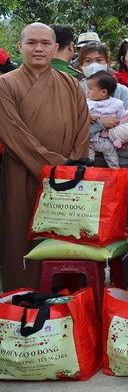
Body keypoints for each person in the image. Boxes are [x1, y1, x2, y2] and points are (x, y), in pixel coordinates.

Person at [0, 23, 89, 289]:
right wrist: (57, 165)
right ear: (20, 47)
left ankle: (66, 299)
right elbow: (13, 134)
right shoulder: (6, 84)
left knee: (62, 236)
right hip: (22, 174)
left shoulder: (71, 84)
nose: (38, 49)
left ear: (55, 48)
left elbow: (82, 127)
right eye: (31, 43)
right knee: (21, 235)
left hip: (66, 180)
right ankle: (22, 299)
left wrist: (73, 164)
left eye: (45, 43)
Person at [77, 41, 128, 170]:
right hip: (87, 159)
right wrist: (100, 124)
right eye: (88, 61)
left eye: (99, 60)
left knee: (121, 189)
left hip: (121, 159)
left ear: (107, 63)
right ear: (81, 65)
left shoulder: (122, 91)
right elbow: (72, 129)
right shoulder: (76, 91)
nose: (94, 65)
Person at [85, 71, 128, 168]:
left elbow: (122, 116)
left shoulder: (115, 103)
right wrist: (88, 116)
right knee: (87, 160)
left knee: (112, 158)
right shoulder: (86, 103)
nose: (87, 92)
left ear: (103, 92)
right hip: (89, 140)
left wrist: (126, 116)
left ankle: (116, 173)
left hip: (106, 140)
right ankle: (88, 172)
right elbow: (80, 116)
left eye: (90, 89)